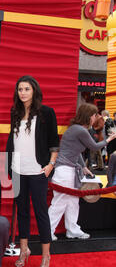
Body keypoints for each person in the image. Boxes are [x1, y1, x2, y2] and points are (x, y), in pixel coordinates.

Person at [6, 75, 59, 267]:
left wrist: (50, 164)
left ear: (34, 90)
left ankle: (46, 255)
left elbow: (54, 141)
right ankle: (24, 250)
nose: (23, 93)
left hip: (38, 171)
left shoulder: (46, 113)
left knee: (40, 213)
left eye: (26, 89)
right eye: (20, 89)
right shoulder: (15, 112)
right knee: (22, 212)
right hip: (18, 170)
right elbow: (13, 141)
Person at [48, 103, 116, 241]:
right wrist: (110, 139)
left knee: (72, 201)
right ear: (89, 116)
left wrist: (83, 167)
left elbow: (76, 151)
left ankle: (72, 230)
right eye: (95, 115)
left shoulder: (75, 129)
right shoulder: (80, 130)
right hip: (65, 171)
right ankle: (48, 230)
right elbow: (94, 146)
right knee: (60, 202)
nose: (96, 117)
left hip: (67, 170)